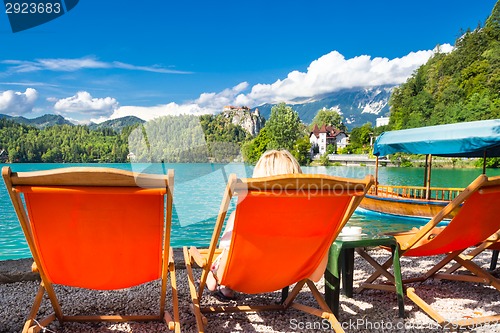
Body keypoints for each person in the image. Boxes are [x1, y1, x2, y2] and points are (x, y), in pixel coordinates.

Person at [206, 149, 328, 299]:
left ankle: (223, 285)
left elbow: (226, 247)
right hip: (288, 272)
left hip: (244, 274)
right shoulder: (309, 219)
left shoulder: (243, 215)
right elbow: (316, 275)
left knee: (227, 246)